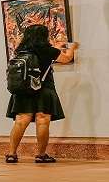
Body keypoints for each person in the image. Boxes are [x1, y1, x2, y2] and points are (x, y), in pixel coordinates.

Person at [6, 24, 78, 164]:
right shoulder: (47, 50)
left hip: (23, 90)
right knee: (42, 120)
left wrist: (57, 47)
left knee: (20, 121)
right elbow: (66, 58)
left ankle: (11, 154)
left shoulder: (20, 51)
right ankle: (41, 155)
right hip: (44, 90)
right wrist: (72, 47)